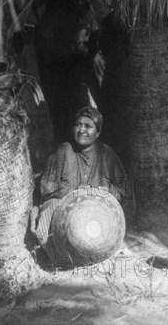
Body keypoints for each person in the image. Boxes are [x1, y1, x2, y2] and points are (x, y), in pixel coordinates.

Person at [30, 106, 128, 248]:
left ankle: (99, 250)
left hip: (98, 216)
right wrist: (75, 192)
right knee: (50, 208)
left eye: (88, 126)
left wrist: (105, 191)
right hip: (65, 216)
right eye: (78, 125)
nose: (81, 130)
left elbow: (124, 191)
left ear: (98, 132)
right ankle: (59, 255)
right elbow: (46, 189)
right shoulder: (64, 151)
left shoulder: (107, 154)